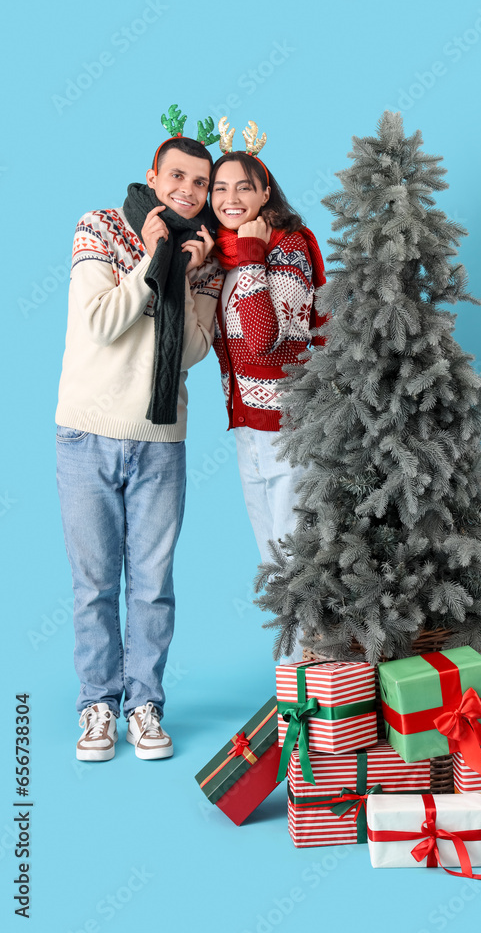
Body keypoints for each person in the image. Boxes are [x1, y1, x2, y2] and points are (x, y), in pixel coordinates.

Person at [56, 117, 222, 761]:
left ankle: (145, 703)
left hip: (161, 437)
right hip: (86, 431)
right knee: (94, 582)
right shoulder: (99, 225)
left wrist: (181, 270)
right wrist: (152, 259)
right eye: (177, 176)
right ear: (153, 177)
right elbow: (101, 323)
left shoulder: (203, 258)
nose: (188, 190)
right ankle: (98, 703)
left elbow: (192, 353)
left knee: (152, 583)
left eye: (200, 183)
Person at [209, 120, 326, 659]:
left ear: (265, 192)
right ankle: (295, 679)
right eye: (220, 188)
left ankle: (313, 676)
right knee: (272, 558)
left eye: (243, 187)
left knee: (298, 553)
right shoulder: (226, 252)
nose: (230, 199)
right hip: (248, 424)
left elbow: (265, 342)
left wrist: (254, 257)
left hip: (289, 424)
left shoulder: (286, 246)